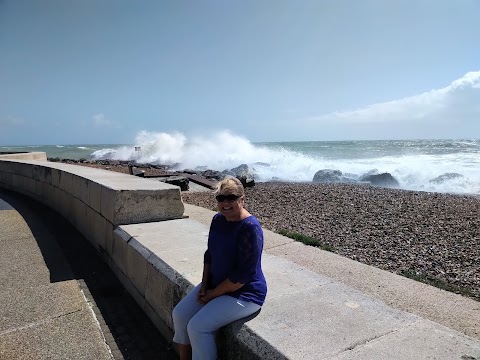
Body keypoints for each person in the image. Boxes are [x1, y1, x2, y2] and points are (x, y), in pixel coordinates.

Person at [172, 176, 267, 360]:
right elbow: (210, 255)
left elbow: (241, 276)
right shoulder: (218, 220)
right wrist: (205, 285)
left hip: (245, 293)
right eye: (220, 198)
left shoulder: (250, 228)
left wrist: (212, 294)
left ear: (242, 199)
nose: (225, 203)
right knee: (180, 315)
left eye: (231, 198)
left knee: (198, 327)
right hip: (216, 285)